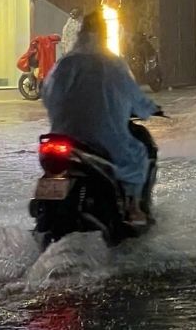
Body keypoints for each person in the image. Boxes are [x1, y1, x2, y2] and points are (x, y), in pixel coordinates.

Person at [43, 12, 160, 225]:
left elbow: (48, 94)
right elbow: (135, 98)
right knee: (138, 154)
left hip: (61, 136)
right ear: (104, 34)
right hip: (100, 138)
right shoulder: (112, 63)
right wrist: (149, 109)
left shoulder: (64, 63)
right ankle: (133, 207)